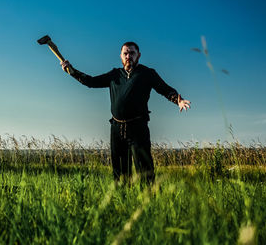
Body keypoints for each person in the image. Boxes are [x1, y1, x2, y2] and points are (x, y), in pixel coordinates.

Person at [61, 42, 191, 184]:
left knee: (144, 170)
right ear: (121, 56)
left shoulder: (147, 74)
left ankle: (149, 201)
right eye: (125, 53)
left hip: (138, 127)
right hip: (117, 128)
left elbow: (165, 89)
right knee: (120, 173)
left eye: (132, 53)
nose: (128, 56)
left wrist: (178, 100)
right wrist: (71, 71)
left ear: (138, 55)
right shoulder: (115, 75)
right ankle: (123, 202)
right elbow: (91, 81)